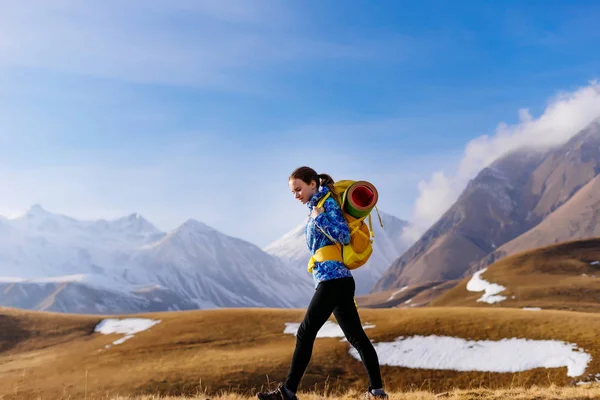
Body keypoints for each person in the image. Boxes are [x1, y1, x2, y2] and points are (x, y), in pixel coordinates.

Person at [256, 166, 388, 400]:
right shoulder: (317, 206)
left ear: (313, 184)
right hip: (337, 281)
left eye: (298, 189)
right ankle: (377, 392)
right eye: (293, 192)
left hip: (333, 281)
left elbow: (343, 235)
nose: (296, 195)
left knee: (305, 333)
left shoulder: (326, 204)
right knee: (356, 337)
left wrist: (319, 219)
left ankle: (288, 392)